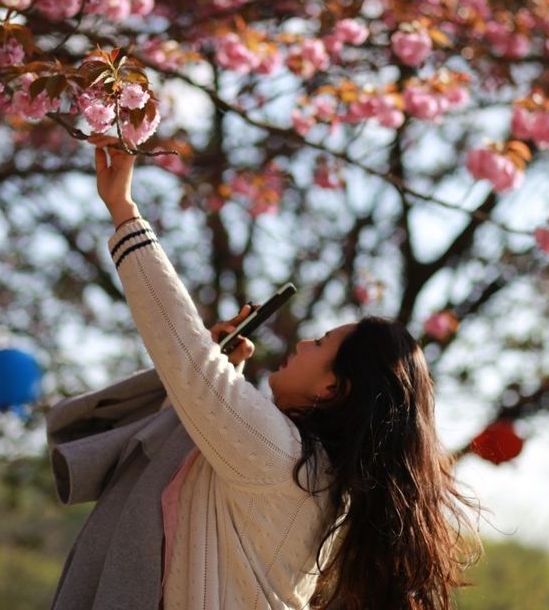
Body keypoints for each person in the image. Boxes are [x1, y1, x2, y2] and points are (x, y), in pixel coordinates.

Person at [47, 136, 480, 610]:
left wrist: (123, 211)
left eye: (321, 344)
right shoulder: (309, 473)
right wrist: (218, 373)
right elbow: (198, 384)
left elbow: (184, 352)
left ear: (334, 387)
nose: (302, 343)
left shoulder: (281, 458)